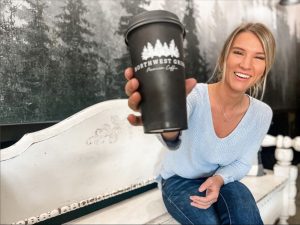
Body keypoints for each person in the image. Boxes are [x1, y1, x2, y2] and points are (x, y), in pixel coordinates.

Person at [124, 22, 276, 225]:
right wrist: (165, 121)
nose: (246, 65)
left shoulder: (261, 113)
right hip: (178, 180)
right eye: (239, 52)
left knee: (245, 217)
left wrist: (219, 179)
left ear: (265, 68)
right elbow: (171, 135)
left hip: (220, 178)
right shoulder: (194, 96)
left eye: (259, 57)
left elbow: (241, 162)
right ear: (224, 58)